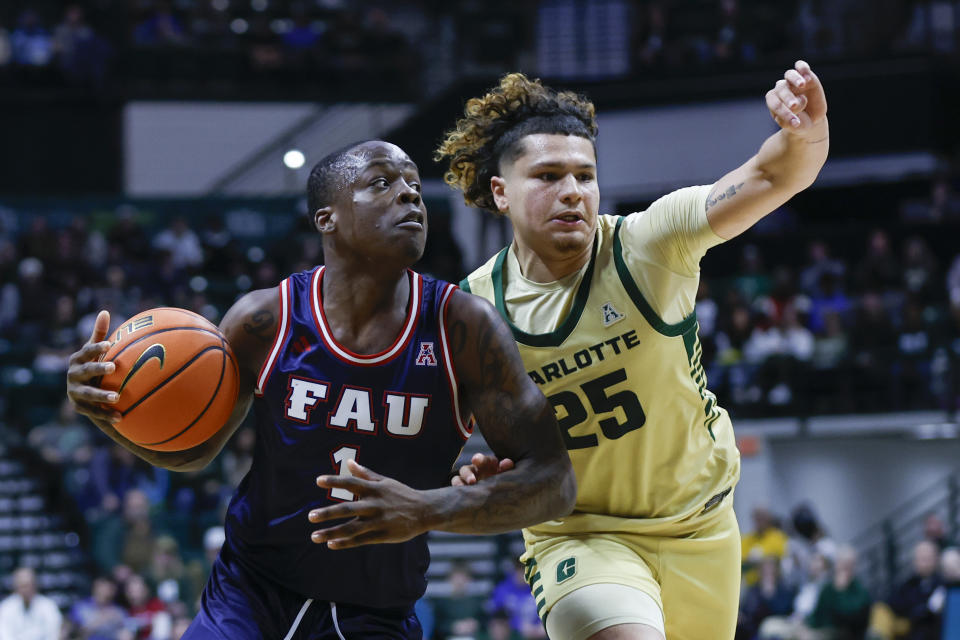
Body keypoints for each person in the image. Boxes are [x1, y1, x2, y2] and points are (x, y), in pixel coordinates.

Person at [66, 139, 576, 639]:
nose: (410, 195)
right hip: (249, 592)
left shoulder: (463, 328)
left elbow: (555, 482)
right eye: (382, 182)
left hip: (375, 611)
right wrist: (110, 413)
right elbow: (195, 451)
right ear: (326, 218)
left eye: (415, 186)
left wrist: (428, 509)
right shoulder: (265, 320)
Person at [437, 60, 829, 640]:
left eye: (584, 175)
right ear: (501, 192)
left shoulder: (648, 246)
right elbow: (429, 437)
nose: (572, 191)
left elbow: (776, 176)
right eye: (548, 176)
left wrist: (805, 134)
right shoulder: (470, 310)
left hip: (700, 524)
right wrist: (473, 470)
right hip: (579, 535)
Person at [0, 567, 62, 640]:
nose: (26, 589)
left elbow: (54, 633)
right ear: (15, 587)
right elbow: (5, 635)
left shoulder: (48, 606)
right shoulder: (5, 607)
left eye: (28, 585)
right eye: (22, 586)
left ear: (35, 584)